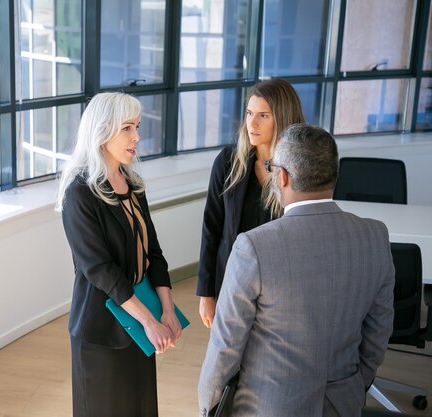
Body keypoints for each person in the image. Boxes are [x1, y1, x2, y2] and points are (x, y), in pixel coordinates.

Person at [197, 124, 395, 417]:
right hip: (343, 403)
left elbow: (226, 345)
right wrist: (352, 386)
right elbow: (378, 333)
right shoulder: (375, 237)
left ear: (283, 176)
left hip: (266, 407)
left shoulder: (253, 247)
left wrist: (207, 406)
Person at [56, 92, 182, 417]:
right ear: (102, 131)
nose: (137, 136)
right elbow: (100, 270)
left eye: (137, 126)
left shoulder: (132, 183)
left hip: (139, 324)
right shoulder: (79, 193)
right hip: (101, 332)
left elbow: (153, 252)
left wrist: (166, 310)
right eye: (127, 128)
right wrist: (150, 322)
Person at [197, 78, 306, 328]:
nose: (251, 123)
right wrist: (206, 294)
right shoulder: (228, 162)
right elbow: (211, 230)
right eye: (249, 113)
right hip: (232, 283)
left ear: (282, 118)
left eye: (263, 115)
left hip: (280, 290)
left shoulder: (300, 170)